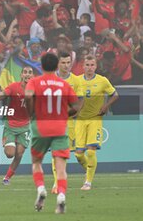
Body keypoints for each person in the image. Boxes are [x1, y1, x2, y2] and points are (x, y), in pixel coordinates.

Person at [25, 53, 80, 214]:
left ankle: (41, 188)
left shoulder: (34, 82)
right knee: (61, 167)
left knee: (36, 162)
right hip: (59, 128)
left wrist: (31, 112)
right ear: (57, 66)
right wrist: (64, 115)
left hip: (40, 127)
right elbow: (76, 106)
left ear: (41, 66)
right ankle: (61, 196)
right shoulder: (63, 84)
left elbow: (28, 95)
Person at [75, 55, 119, 190]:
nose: (89, 68)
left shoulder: (102, 81)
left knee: (91, 152)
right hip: (80, 120)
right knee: (78, 154)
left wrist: (106, 106)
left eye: (92, 65)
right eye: (87, 65)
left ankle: (88, 182)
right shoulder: (76, 80)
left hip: (95, 119)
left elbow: (115, 94)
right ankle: (89, 169)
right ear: (83, 66)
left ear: (96, 66)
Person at [51, 52, 84, 194]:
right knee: (55, 153)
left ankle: (87, 171)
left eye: (68, 62)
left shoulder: (76, 80)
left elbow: (80, 101)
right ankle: (57, 182)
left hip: (70, 123)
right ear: (58, 63)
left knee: (74, 155)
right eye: (63, 62)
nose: (66, 65)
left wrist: (70, 112)